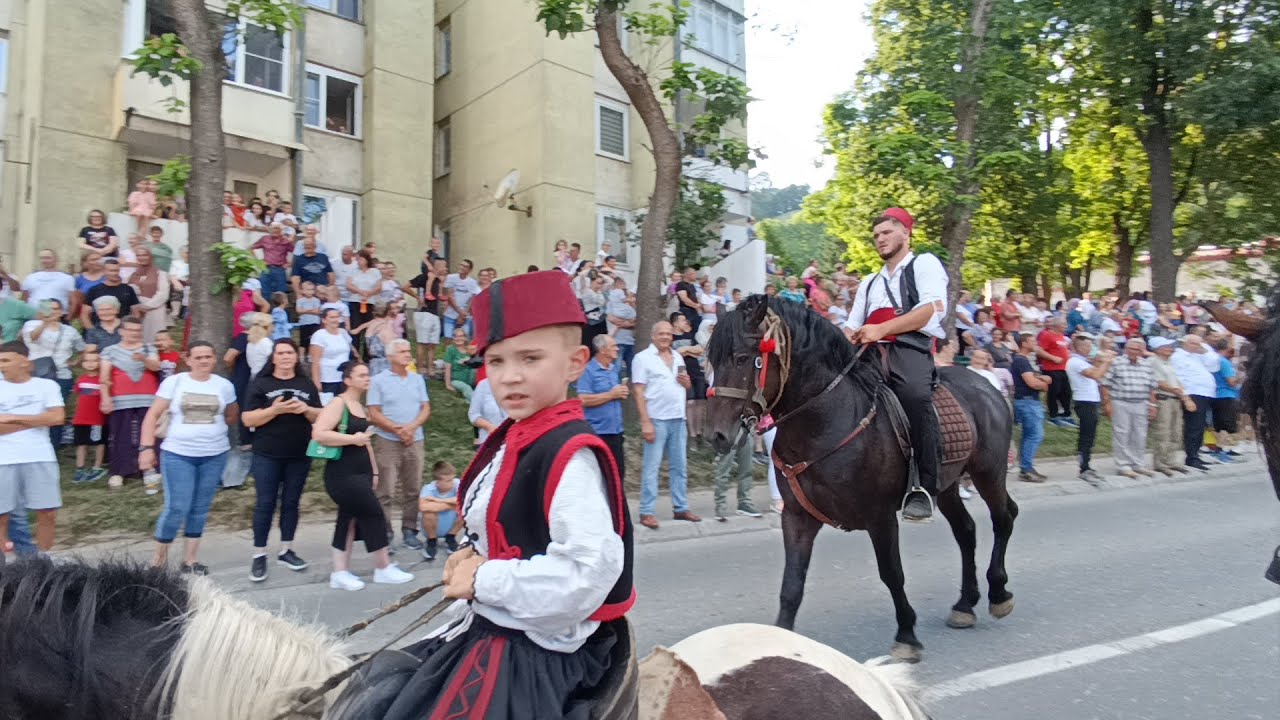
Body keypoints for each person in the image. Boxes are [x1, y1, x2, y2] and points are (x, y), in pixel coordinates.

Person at [329, 269, 633, 719]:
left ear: (576, 362)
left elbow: (588, 573)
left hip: (534, 650)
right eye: (496, 362)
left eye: (530, 359)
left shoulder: (569, 456)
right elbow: (508, 525)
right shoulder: (520, 435)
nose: (509, 377)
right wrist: (471, 554)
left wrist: (485, 578)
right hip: (494, 621)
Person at [842, 207, 948, 521]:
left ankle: (926, 487)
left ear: (905, 232)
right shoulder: (870, 282)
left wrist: (882, 329)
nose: (880, 239)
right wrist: (840, 339)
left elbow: (932, 310)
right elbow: (851, 324)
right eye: (876, 236)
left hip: (908, 347)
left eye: (886, 232)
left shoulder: (924, 263)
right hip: (870, 351)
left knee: (915, 395)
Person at [312, 361, 414, 591]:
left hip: (362, 471)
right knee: (374, 513)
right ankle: (383, 567)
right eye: (361, 375)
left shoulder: (361, 406)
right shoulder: (338, 403)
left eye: (367, 375)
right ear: (347, 380)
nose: (366, 378)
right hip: (342, 473)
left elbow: (365, 440)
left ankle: (339, 573)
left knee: (348, 520)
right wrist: (352, 440)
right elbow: (319, 434)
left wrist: (374, 469)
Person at [138, 340, 238, 575]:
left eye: (208, 356)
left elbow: (232, 414)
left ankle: (190, 561)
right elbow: (152, 415)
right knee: (177, 507)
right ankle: (158, 562)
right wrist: (146, 448)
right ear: (188, 359)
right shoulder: (175, 382)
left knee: (200, 508)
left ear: (214, 359)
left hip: (214, 454)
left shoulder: (224, 386)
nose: (204, 361)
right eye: (199, 357)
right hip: (178, 454)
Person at [241, 339, 323, 583]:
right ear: (273, 358)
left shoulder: (305, 384)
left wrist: (305, 410)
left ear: (296, 357)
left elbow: (321, 414)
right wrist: (273, 411)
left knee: (291, 502)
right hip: (267, 454)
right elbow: (247, 419)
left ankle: (286, 549)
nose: (286, 357)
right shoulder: (261, 384)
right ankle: (259, 554)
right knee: (265, 503)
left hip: (299, 453)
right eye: (281, 353)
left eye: (290, 353)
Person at [0, 341, 66, 553]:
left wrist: (12, 417)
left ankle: (44, 561)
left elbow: (57, 417)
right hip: (4, 458)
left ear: (24, 361)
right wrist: (37, 420)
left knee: (47, 512)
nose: (1, 365)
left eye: (6, 360)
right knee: (2, 515)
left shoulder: (46, 386)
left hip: (40, 456)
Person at [633, 320, 698, 529]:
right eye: (661, 334)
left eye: (668, 334)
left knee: (680, 467)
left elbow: (685, 385)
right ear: (653, 336)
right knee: (652, 467)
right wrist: (645, 422)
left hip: (678, 418)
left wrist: (686, 383)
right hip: (656, 419)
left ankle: (680, 507)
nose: (665, 337)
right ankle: (646, 511)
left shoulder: (678, 356)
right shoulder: (642, 359)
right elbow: (638, 392)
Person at [367, 339, 432, 551]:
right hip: (388, 441)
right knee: (385, 489)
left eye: (408, 351)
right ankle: (384, 531)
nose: (407, 354)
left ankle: (409, 529)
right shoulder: (378, 381)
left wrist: (411, 428)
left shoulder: (417, 379)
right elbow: (373, 412)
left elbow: (425, 408)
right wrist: (397, 429)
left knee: (412, 487)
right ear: (390, 356)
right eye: (402, 351)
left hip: (415, 439)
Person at [99, 317, 161, 490]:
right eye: (130, 330)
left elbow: (156, 367)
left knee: (149, 434)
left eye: (137, 330)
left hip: (148, 398)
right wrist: (105, 397)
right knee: (120, 435)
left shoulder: (149, 348)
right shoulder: (109, 350)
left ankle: (149, 468)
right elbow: (104, 377)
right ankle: (119, 471)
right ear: (121, 331)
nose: (134, 333)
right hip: (121, 399)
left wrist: (143, 359)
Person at [1101, 338, 1159, 477]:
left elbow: (1152, 387)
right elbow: (1105, 384)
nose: (1134, 352)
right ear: (1126, 349)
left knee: (1140, 434)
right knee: (1122, 433)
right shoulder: (1116, 362)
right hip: (1121, 402)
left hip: (1141, 403)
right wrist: (1107, 403)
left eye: (1137, 349)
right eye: (1131, 349)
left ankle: (1138, 464)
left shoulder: (1146, 365)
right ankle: (1123, 465)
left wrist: (1153, 405)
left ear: (1142, 351)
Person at [577, 334, 629, 482]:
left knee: (618, 475)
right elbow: (583, 400)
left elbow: (612, 395)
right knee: (600, 476)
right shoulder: (588, 370)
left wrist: (620, 393)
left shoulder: (613, 369)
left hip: (616, 431)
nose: (617, 349)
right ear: (602, 350)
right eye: (613, 346)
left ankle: (616, 505)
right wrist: (612, 394)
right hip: (598, 433)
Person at [1066, 335, 1112, 484]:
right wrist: (1106, 361)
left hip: (1091, 401)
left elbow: (1097, 371)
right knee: (1086, 436)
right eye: (1087, 346)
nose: (1090, 349)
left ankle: (1086, 464)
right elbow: (1096, 374)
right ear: (1079, 347)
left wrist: (1100, 362)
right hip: (1084, 401)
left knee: (1090, 436)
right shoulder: (1075, 362)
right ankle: (1083, 467)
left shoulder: (1082, 362)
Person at [1170, 335, 1218, 471]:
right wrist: (1186, 397)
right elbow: (1179, 377)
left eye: (1198, 344)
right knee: (1194, 426)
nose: (1195, 346)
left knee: (1200, 426)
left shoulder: (1199, 356)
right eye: (1192, 343)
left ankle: (1195, 454)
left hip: (1205, 393)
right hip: (1192, 392)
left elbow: (1214, 365)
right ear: (1185, 343)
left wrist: (1204, 350)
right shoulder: (1178, 357)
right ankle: (1191, 457)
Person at [1010, 332, 1051, 482]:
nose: (1036, 345)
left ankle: (1026, 467)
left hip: (1027, 401)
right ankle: (1026, 468)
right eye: (1033, 341)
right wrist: (1043, 384)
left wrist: (1039, 378)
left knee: (1029, 435)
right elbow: (1031, 382)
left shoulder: (1022, 360)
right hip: (1028, 402)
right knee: (1035, 435)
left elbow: (1032, 378)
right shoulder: (1021, 360)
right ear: (1025, 343)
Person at [1148, 337, 1189, 475]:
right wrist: (1176, 390)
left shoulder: (1169, 362)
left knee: (1176, 431)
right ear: (1158, 348)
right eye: (1167, 346)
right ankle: (1160, 462)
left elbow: (1177, 380)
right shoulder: (1153, 362)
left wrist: (1182, 394)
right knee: (1163, 431)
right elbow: (1159, 382)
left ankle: (1171, 460)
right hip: (1163, 398)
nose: (1171, 349)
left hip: (1175, 399)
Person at [71, 351, 109, 483]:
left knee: (98, 443)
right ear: (82, 363)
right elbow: (78, 397)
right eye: (87, 360)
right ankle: (80, 468)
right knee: (81, 444)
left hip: (97, 419)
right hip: (80, 419)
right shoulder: (80, 380)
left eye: (94, 360)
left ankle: (97, 467)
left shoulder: (103, 380)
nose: (90, 363)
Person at [407, 256, 446, 377]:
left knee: (432, 344)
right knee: (422, 343)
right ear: (436, 265)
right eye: (443, 265)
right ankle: (419, 368)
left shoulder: (438, 280)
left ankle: (430, 369)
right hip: (424, 313)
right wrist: (417, 297)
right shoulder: (424, 277)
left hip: (434, 314)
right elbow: (405, 286)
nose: (444, 268)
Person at [418, 461, 462, 561]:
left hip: (450, 524)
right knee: (428, 513)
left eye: (452, 479)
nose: (452, 483)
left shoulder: (457, 483)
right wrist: (451, 506)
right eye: (448, 481)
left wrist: (438, 501)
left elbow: (463, 500)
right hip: (433, 526)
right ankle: (431, 541)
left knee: (464, 510)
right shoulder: (428, 488)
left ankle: (451, 538)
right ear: (437, 482)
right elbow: (423, 507)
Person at [310, 307, 355, 400]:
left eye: (337, 317)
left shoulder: (343, 333)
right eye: (332, 317)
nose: (335, 320)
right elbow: (315, 361)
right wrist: (317, 382)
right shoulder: (319, 335)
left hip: (344, 378)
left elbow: (351, 349)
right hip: (327, 379)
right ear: (324, 320)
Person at [1037, 317, 1074, 427]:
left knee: (1066, 392)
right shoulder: (1047, 335)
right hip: (1051, 368)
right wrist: (1053, 358)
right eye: (1064, 324)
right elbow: (1039, 350)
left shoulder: (1061, 336)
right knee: (1054, 392)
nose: (1066, 326)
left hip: (1063, 368)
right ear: (1057, 325)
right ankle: (1053, 416)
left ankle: (1066, 415)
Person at [129, 246, 170, 343]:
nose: (141, 257)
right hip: (137, 310)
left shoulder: (160, 273)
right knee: (138, 335)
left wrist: (145, 307)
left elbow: (163, 294)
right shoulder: (134, 274)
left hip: (154, 308)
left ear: (150, 256)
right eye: (138, 255)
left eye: (144, 255)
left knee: (154, 336)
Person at [21, 249, 76, 313]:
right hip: (33, 316)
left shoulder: (67, 278)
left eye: (48, 258)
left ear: (56, 259)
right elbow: (24, 299)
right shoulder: (30, 277)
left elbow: (73, 301)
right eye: (42, 258)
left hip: (58, 317)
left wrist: (68, 318)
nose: (45, 260)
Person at [442, 258, 481, 339]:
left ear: (470, 270)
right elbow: (449, 296)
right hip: (450, 314)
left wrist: (463, 315)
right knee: (448, 339)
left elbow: (472, 299)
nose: (462, 267)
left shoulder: (473, 282)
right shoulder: (450, 277)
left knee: (463, 340)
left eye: (465, 266)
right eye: (461, 265)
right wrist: (460, 312)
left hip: (465, 316)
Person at [443, 327, 477, 399]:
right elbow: (447, 368)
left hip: (470, 379)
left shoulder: (470, 349)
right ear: (453, 338)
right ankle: (476, 403)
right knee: (467, 388)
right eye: (456, 336)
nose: (458, 338)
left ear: (465, 338)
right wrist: (448, 384)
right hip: (456, 380)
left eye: (461, 336)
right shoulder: (450, 349)